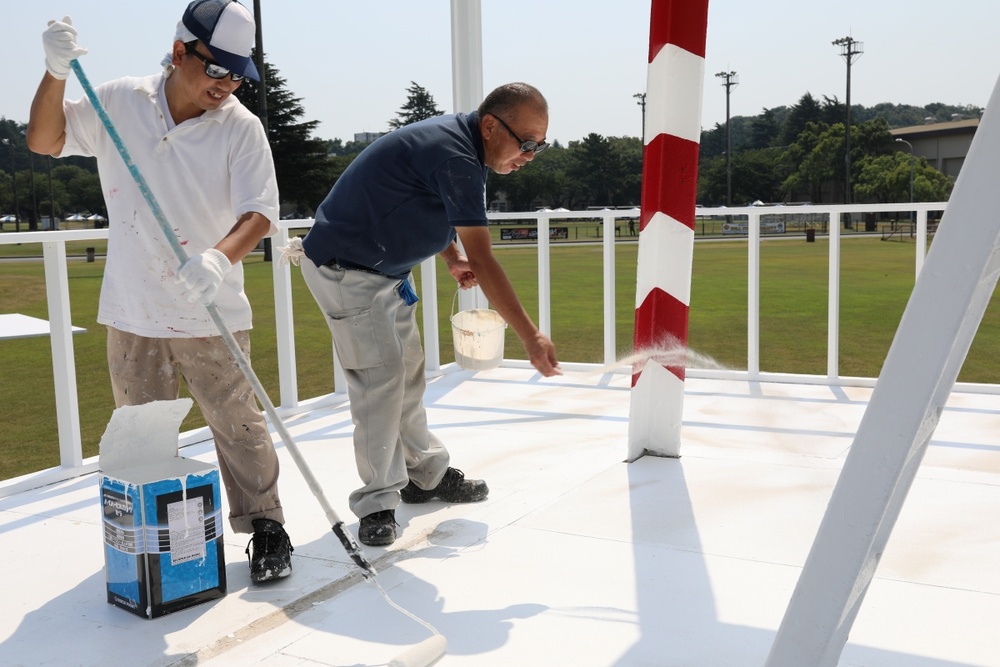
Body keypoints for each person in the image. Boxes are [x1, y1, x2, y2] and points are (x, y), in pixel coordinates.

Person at [28, 0, 293, 583]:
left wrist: (218, 259)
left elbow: (260, 212)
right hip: (133, 308)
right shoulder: (121, 100)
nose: (226, 85)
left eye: (236, 74)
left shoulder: (241, 128)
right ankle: (155, 542)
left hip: (211, 307)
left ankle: (267, 527)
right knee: (141, 431)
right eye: (216, 69)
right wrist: (54, 72)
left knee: (238, 424)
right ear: (180, 53)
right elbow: (45, 140)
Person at [294, 82, 561, 547]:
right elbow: (487, 260)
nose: (531, 156)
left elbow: (419, 201)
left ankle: (426, 476)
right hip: (347, 270)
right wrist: (531, 335)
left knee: (409, 374)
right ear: (492, 126)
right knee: (381, 382)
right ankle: (377, 504)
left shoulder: (461, 147)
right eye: (528, 143)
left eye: (541, 145)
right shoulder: (457, 156)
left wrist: (450, 256)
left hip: (387, 272)